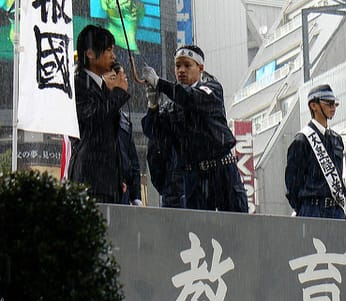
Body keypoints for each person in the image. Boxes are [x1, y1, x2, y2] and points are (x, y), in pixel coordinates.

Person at [141, 44, 248, 212]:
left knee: (234, 229)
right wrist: (152, 105)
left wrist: (160, 83)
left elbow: (191, 98)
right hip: (193, 179)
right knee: (198, 232)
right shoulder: (171, 106)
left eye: (187, 65)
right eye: (177, 66)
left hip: (222, 173)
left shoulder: (211, 89)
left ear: (201, 68)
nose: (181, 70)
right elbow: (154, 132)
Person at [69, 24, 129, 203]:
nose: (114, 56)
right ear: (90, 53)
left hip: (107, 181)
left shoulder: (101, 86)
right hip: (90, 178)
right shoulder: (78, 84)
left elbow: (111, 137)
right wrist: (118, 93)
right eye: (108, 50)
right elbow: (93, 119)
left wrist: (118, 177)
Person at [285, 84, 346, 219]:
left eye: (335, 104)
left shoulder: (337, 139)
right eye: (329, 103)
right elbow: (292, 183)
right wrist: (304, 208)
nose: (333, 108)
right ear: (314, 105)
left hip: (336, 209)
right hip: (312, 209)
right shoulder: (302, 140)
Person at [111, 63, 143, 206]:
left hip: (125, 192)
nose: (124, 79)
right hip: (108, 187)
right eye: (118, 76)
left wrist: (136, 196)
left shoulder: (124, 118)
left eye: (124, 75)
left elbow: (133, 161)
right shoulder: (102, 112)